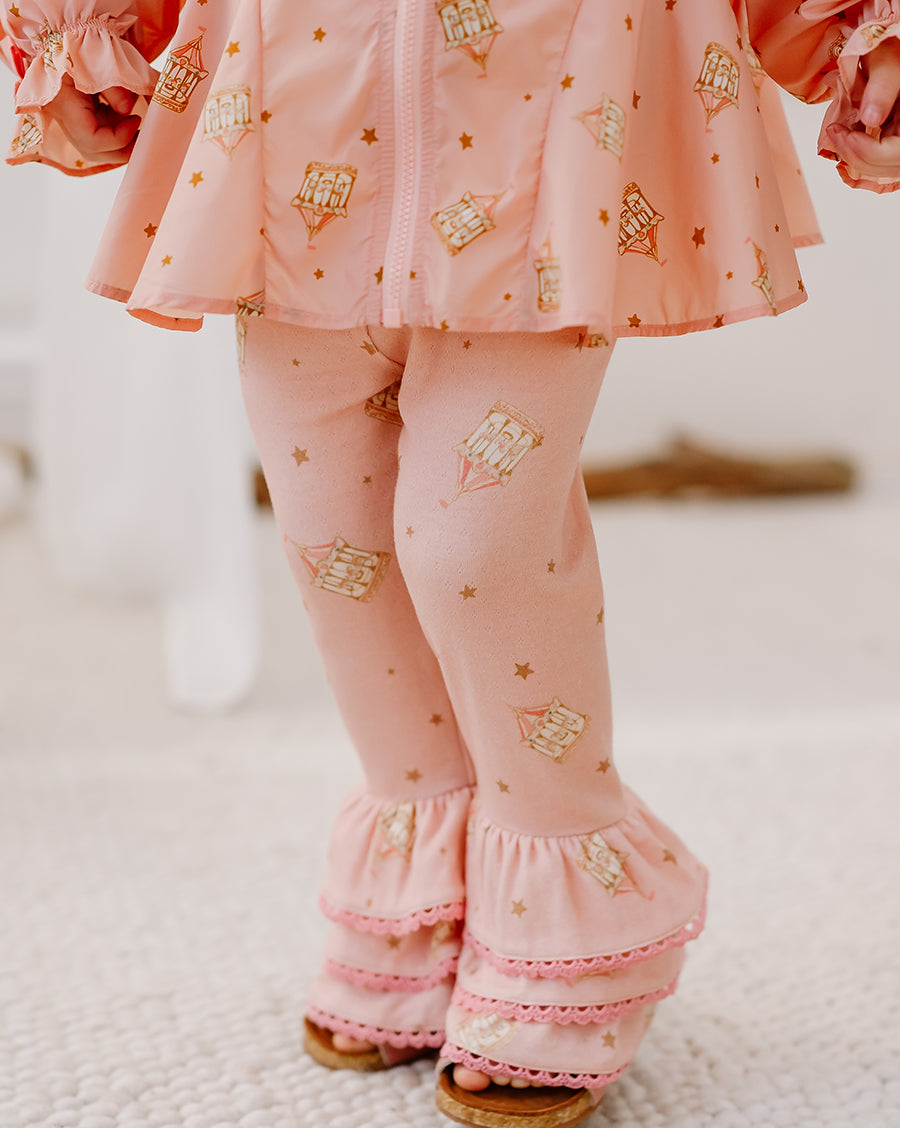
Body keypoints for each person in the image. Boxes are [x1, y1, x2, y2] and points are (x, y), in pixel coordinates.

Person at [3, 2, 898, 1126]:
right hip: (289, 99)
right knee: (332, 536)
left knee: (476, 546)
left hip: (551, 109)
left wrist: (862, 37)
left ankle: (568, 904)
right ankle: (422, 873)